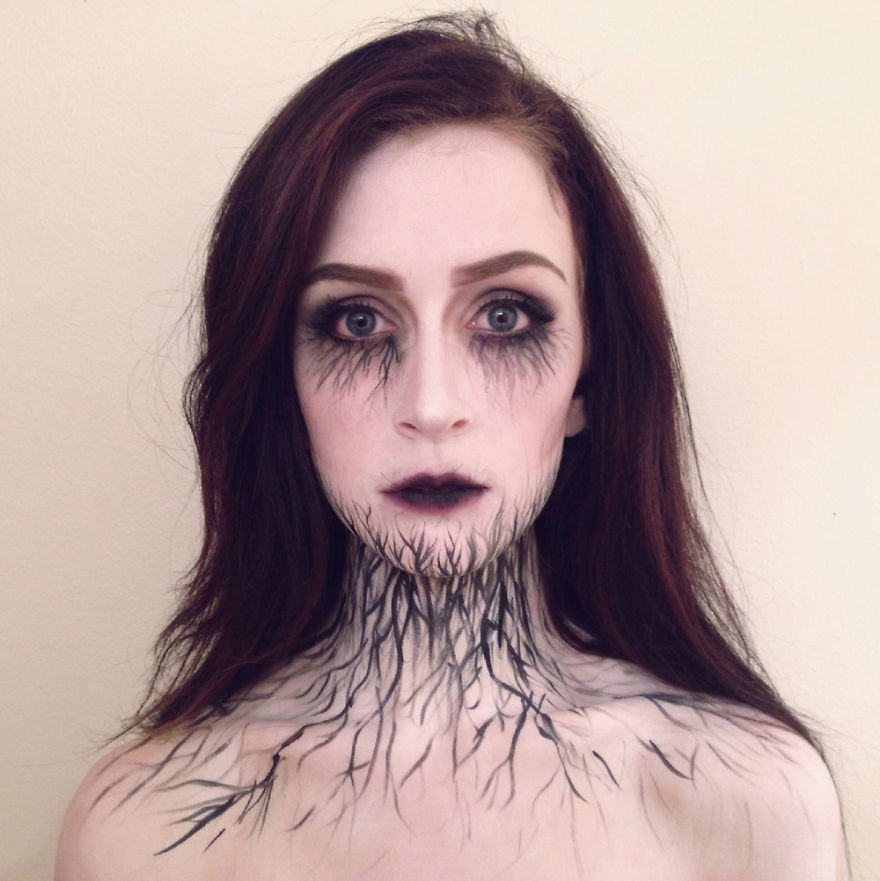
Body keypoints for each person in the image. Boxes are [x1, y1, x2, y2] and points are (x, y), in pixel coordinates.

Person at [55, 12, 846, 880]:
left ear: (588, 378)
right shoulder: (142, 832)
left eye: (505, 315)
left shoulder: (751, 805)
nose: (431, 406)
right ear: (285, 383)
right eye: (357, 322)